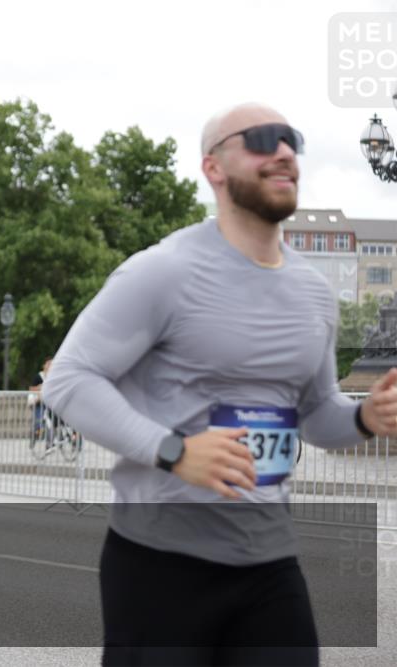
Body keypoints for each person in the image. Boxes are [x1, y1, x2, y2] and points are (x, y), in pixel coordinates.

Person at [42, 103, 397, 666]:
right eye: (262, 139)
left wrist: (363, 418)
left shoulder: (312, 293)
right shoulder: (162, 271)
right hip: (159, 564)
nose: (283, 151)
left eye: (291, 140)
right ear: (213, 167)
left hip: (270, 564)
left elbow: (314, 412)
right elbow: (69, 379)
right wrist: (173, 450)